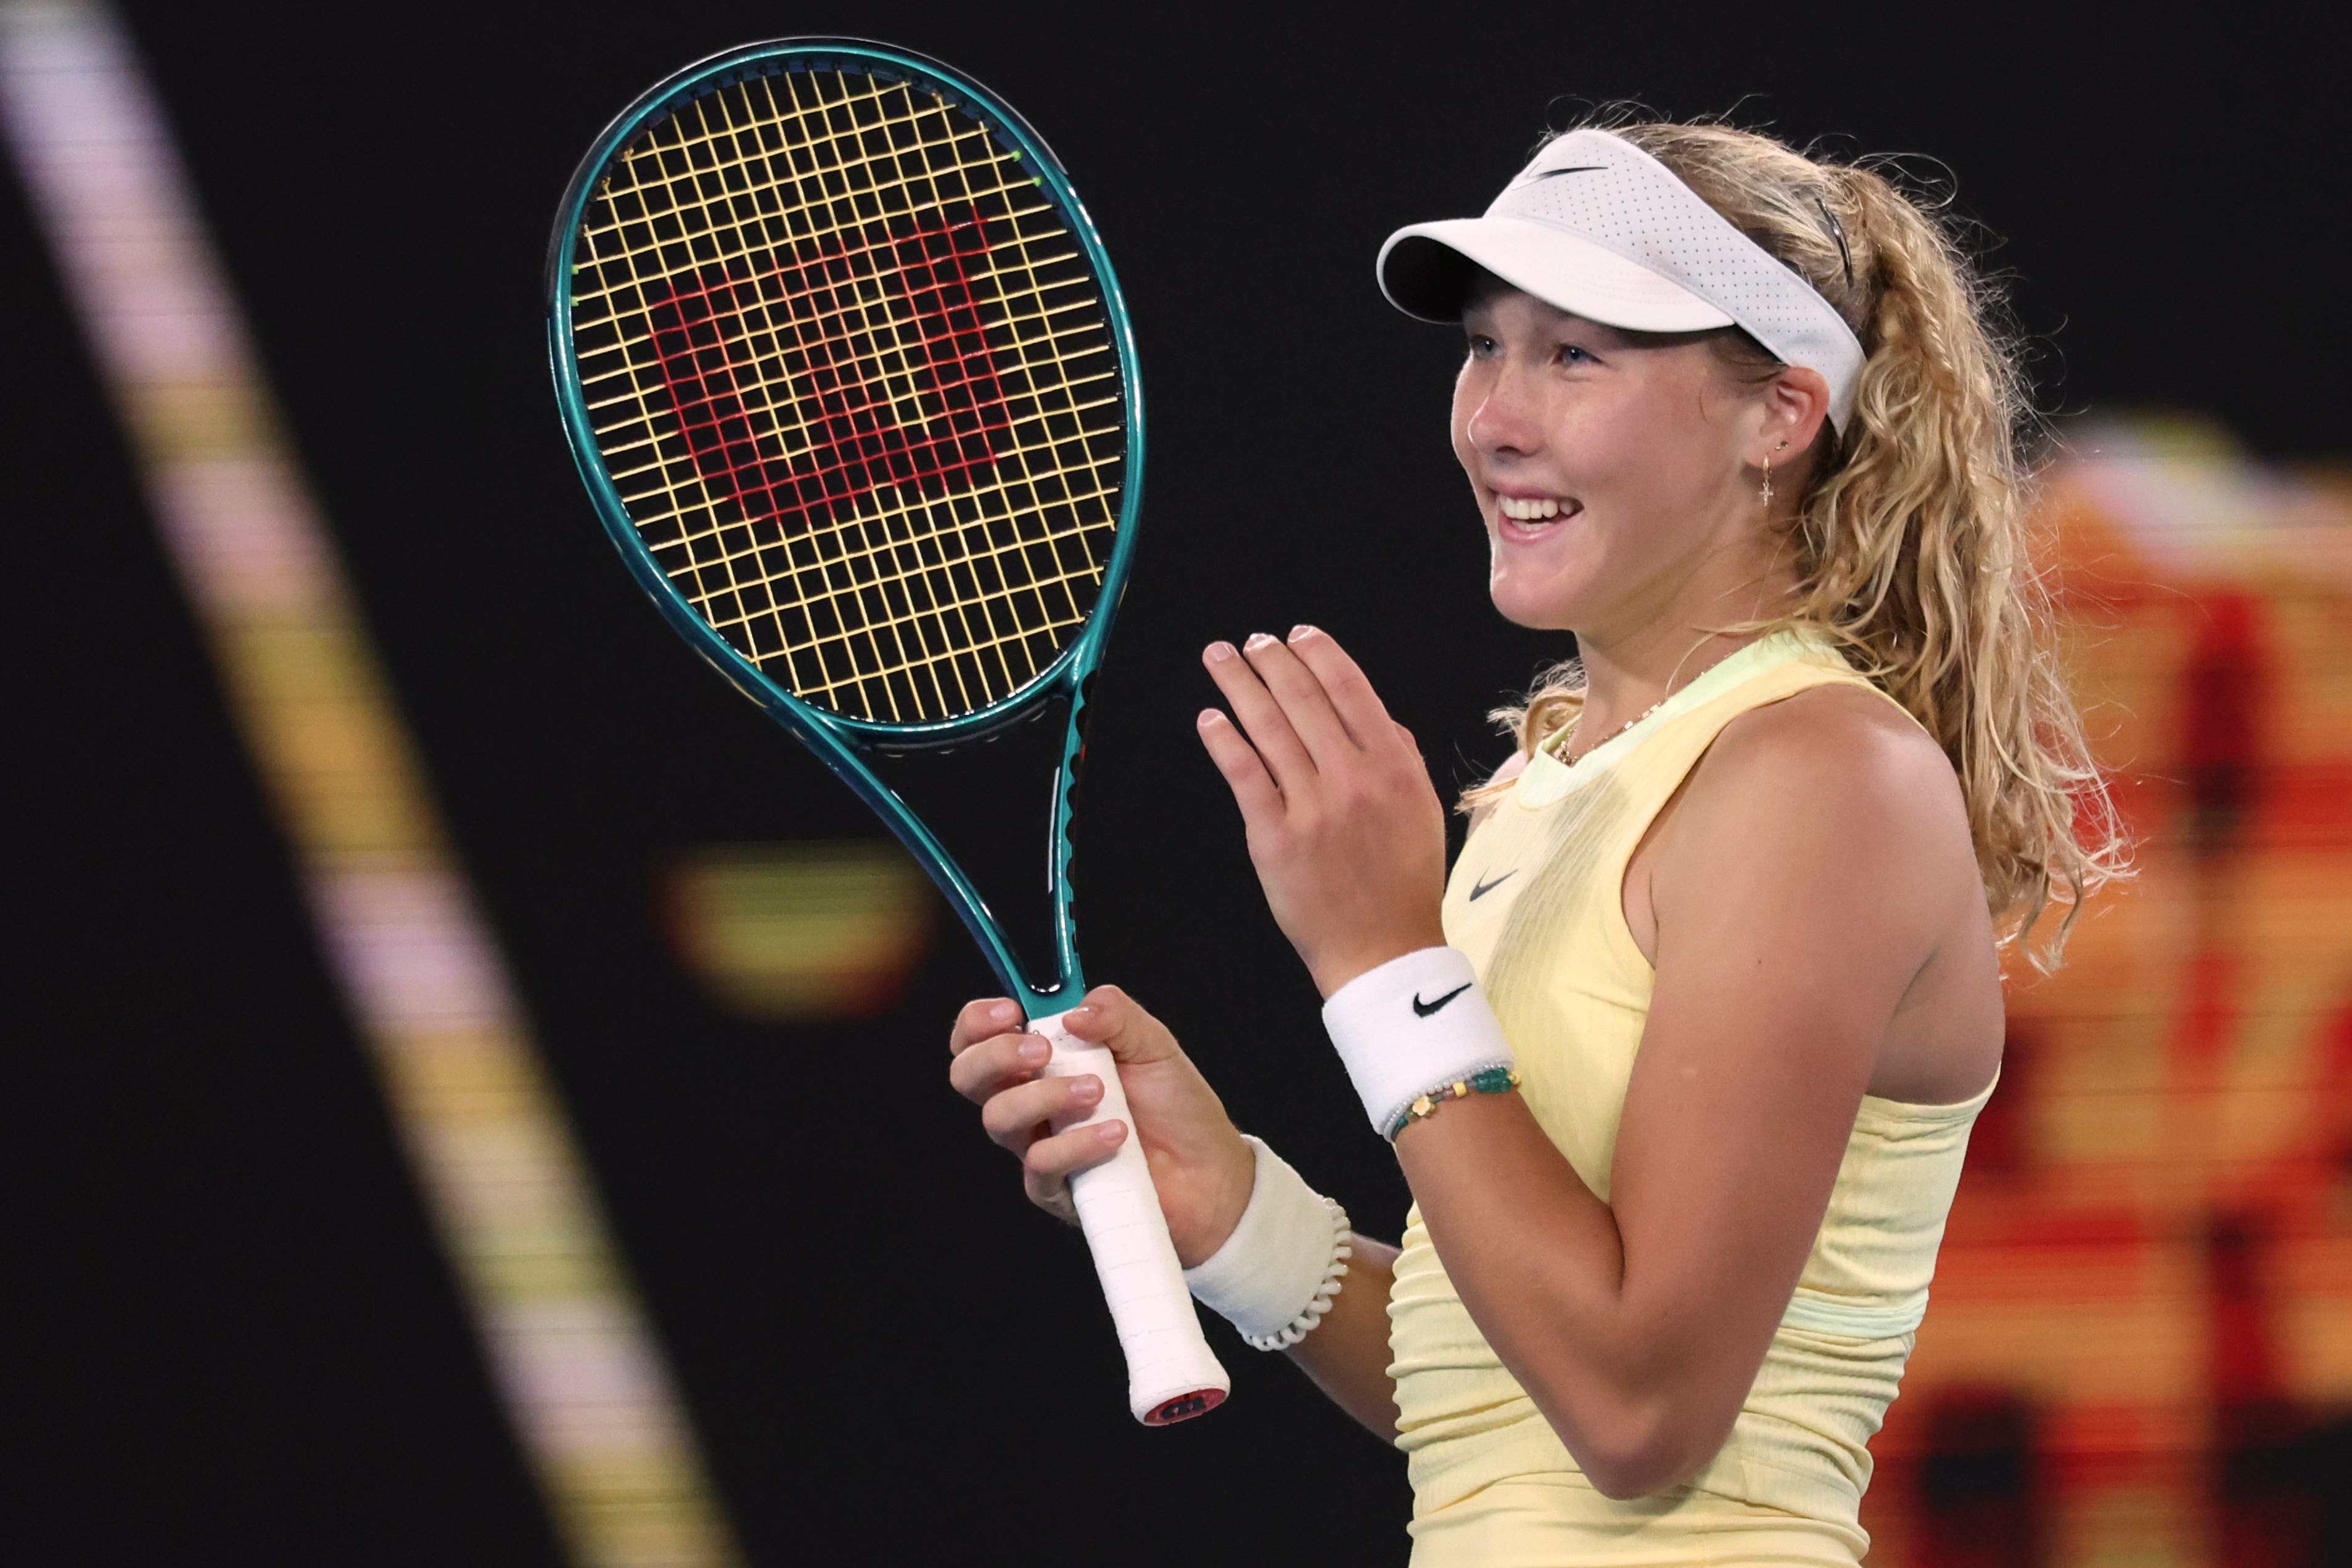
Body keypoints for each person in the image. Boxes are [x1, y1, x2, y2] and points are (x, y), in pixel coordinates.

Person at [947, 116, 2124, 1563]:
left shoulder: (1820, 773)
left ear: (1778, 413)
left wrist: (1380, 962)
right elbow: (1505, 1408)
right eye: (1485, 346)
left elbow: (1638, 1416)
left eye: (1575, 354)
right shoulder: (1543, 791)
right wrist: (1235, 1215)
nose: (1493, 415)